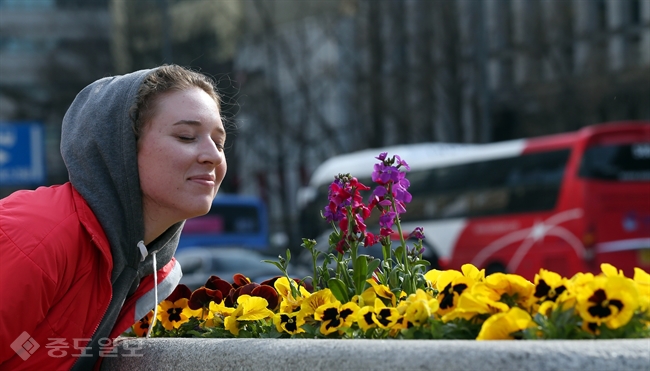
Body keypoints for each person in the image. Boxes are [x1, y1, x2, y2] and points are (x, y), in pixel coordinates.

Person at [0, 65, 227, 370]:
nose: (212, 155)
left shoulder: (147, 268)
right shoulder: (35, 237)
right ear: (119, 148)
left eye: (219, 141)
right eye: (186, 136)